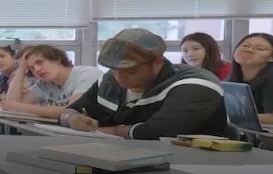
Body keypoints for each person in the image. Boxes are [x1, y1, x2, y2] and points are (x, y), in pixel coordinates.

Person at [60, 28, 227, 139]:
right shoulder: (111, 78)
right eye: (114, 68)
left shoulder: (196, 85)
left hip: (192, 167)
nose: (119, 77)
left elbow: (154, 132)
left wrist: (96, 131)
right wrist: (71, 118)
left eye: (131, 70)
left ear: (158, 62)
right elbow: (74, 109)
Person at [0, 45, 99, 118]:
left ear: (57, 59)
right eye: (31, 68)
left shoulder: (87, 74)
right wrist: (21, 69)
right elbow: (12, 102)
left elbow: (70, 111)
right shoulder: (45, 84)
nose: (37, 69)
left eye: (40, 62)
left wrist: (20, 107)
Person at [227, 33, 273, 125]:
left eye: (259, 49)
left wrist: (232, 116)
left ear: (271, 57)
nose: (249, 50)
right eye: (245, 45)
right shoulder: (233, 78)